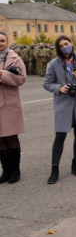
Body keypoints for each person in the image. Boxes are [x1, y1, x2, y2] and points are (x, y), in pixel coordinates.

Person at [43, 35, 76, 184]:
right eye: (61, 45)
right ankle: (54, 169)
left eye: (66, 43)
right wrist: (59, 88)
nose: (64, 47)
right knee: (60, 136)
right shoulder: (54, 64)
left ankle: (75, 164)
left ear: (72, 44)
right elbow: (47, 83)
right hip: (63, 103)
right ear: (58, 49)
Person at [0, 32, 27, 184]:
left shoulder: (14, 59)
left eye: (2, 40)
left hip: (10, 103)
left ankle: (15, 171)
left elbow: (21, 79)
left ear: (7, 42)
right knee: (0, 139)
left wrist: (2, 75)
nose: (0, 43)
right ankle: (5, 171)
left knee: (11, 137)